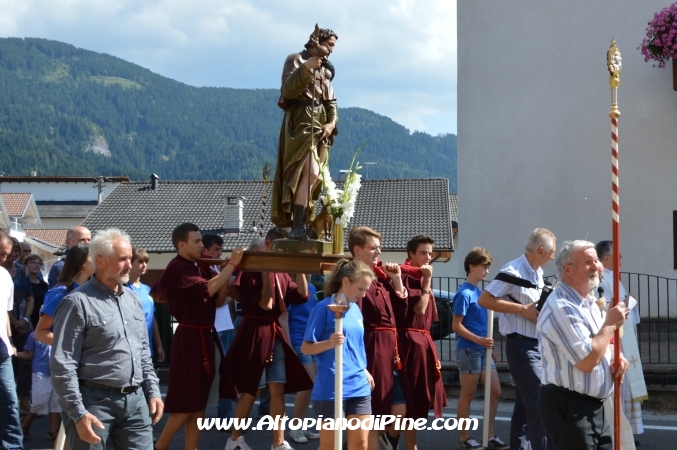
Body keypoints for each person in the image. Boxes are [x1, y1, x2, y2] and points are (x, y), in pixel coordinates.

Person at [50, 228, 164, 449]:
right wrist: (77, 412)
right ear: (100, 262)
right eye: (122, 259)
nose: (130, 265)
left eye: (129, 258)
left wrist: (153, 391)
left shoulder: (133, 299)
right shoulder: (77, 303)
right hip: (92, 402)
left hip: (135, 400)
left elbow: (142, 352)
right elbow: (63, 363)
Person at [151, 223, 243, 450]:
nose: (202, 245)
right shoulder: (178, 266)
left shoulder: (200, 266)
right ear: (181, 245)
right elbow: (207, 290)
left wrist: (222, 271)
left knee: (199, 403)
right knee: (186, 403)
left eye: (202, 241)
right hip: (190, 338)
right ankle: (160, 446)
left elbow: (219, 300)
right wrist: (232, 265)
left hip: (205, 335)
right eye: (197, 241)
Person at [223, 226, 312, 450]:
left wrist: (299, 266)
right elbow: (266, 304)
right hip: (255, 330)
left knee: (277, 388)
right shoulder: (251, 270)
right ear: (271, 246)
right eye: (283, 249)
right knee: (253, 389)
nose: (285, 254)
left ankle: (278, 443)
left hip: (274, 332)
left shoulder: (282, 270)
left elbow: (302, 295)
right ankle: (234, 440)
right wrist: (265, 271)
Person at [537, 240, 629, 450]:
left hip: (595, 405)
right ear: (568, 269)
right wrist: (609, 324)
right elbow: (586, 361)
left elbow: (601, 342)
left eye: (597, 260)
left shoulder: (587, 302)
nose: (596, 266)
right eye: (588, 262)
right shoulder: (562, 307)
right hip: (570, 406)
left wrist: (616, 358)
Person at [478, 228, 556, 450]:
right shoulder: (512, 270)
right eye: (551, 252)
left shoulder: (537, 273)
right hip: (522, 345)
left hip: (535, 345)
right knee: (541, 404)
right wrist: (522, 310)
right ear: (540, 250)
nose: (553, 257)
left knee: (525, 407)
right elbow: (485, 299)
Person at [271, 26, 338, 240]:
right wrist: (307, 67)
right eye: (329, 45)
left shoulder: (326, 69)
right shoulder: (295, 60)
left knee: (313, 177)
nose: (331, 50)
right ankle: (297, 223)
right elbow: (287, 90)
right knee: (304, 171)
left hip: (319, 122)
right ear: (316, 41)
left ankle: (301, 222)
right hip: (300, 120)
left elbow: (331, 101)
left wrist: (331, 123)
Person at [301, 260, 376, 450]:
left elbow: (355, 345)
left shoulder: (356, 309)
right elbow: (306, 348)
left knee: (360, 444)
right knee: (330, 446)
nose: (363, 295)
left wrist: (364, 369)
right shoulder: (323, 308)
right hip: (331, 388)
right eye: (360, 289)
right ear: (346, 281)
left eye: (366, 290)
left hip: (359, 386)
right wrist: (329, 343)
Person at [382, 235, 447, 450]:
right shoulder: (407, 274)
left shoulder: (419, 273)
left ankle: (404, 443)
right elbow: (419, 309)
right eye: (423, 253)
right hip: (408, 341)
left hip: (422, 340)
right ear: (411, 254)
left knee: (419, 398)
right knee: (410, 398)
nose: (428, 257)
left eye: (430, 253)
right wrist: (427, 282)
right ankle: (395, 438)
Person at [348, 226, 407, 450]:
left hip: (389, 352)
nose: (378, 253)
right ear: (357, 250)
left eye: (379, 248)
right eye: (373, 248)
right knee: (372, 413)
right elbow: (353, 324)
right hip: (371, 350)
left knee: (397, 408)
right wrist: (360, 364)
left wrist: (397, 281)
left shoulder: (379, 279)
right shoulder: (354, 279)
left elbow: (399, 316)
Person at [453, 248, 508, 450]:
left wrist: (487, 345)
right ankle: (464, 437)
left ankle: (489, 434)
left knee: (495, 391)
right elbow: (456, 326)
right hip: (468, 349)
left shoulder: (479, 292)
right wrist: (479, 340)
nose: (486, 271)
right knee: (468, 394)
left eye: (488, 267)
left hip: (482, 350)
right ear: (472, 266)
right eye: (484, 267)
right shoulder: (464, 293)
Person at [595, 240, 646, 443]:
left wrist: (627, 303)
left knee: (627, 388)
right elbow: (605, 310)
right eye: (618, 254)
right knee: (619, 387)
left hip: (627, 338)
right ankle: (618, 432)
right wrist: (626, 304)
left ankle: (627, 432)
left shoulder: (614, 278)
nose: (622, 257)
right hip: (616, 340)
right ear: (606, 258)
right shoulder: (602, 280)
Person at [200, 233, 236, 422]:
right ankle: (203, 415)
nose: (219, 254)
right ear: (204, 250)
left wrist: (226, 272)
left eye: (221, 250)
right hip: (214, 327)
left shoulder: (216, 267)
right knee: (212, 374)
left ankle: (225, 417)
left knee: (225, 373)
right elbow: (219, 299)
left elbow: (231, 292)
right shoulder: (204, 269)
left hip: (225, 326)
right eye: (215, 250)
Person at [34, 244, 94, 346]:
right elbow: (40, 333)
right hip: (66, 359)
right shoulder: (60, 294)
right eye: (93, 256)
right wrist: (73, 346)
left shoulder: (94, 292)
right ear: (82, 262)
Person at [287, 275, 320, 443]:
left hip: (311, 339)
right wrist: (288, 344)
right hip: (298, 339)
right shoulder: (290, 287)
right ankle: (296, 428)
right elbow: (284, 317)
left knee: (311, 386)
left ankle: (302, 426)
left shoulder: (312, 288)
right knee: (307, 385)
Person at [3, 238, 34, 414]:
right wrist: (15, 322)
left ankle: (24, 401)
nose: (13, 254)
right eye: (11, 251)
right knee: (10, 362)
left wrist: (25, 319)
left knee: (27, 362)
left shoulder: (22, 270)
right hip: (6, 322)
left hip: (23, 320)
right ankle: (10, 404)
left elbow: (29, 296)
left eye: (16, 251)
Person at [13, 331, 60, 440]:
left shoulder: (63, 331)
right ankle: (26, 421)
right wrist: (14, 353)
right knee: (40, 401)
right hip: (40, 372)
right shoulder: (34, 335)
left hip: (59, 371)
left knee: (56, 402)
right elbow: (29, 354)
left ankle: (53, 431)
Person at [0, 231, 23, 449]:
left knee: (10, 402)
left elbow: (5, 313)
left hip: (2, 351)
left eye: (6, 254)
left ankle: (13, 446)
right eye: (0, 253)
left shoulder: (5, 276)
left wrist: (10, 341)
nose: (4, 258)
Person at [127, 247, 165, 362]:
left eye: (146, 262)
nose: (144, 265)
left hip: (147, 349)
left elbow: (152, 319)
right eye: (140, 262)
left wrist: (159, 346)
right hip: (130, 349)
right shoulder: (122, 289)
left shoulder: (147, 290)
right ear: (130, 263)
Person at [23, 254, 48, 329]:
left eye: (39, 263)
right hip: (25, 318)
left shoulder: (44, 285)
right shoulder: (22, 283)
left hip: (39, 319)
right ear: (25, 265)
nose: (37, 265)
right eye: (33, 262)